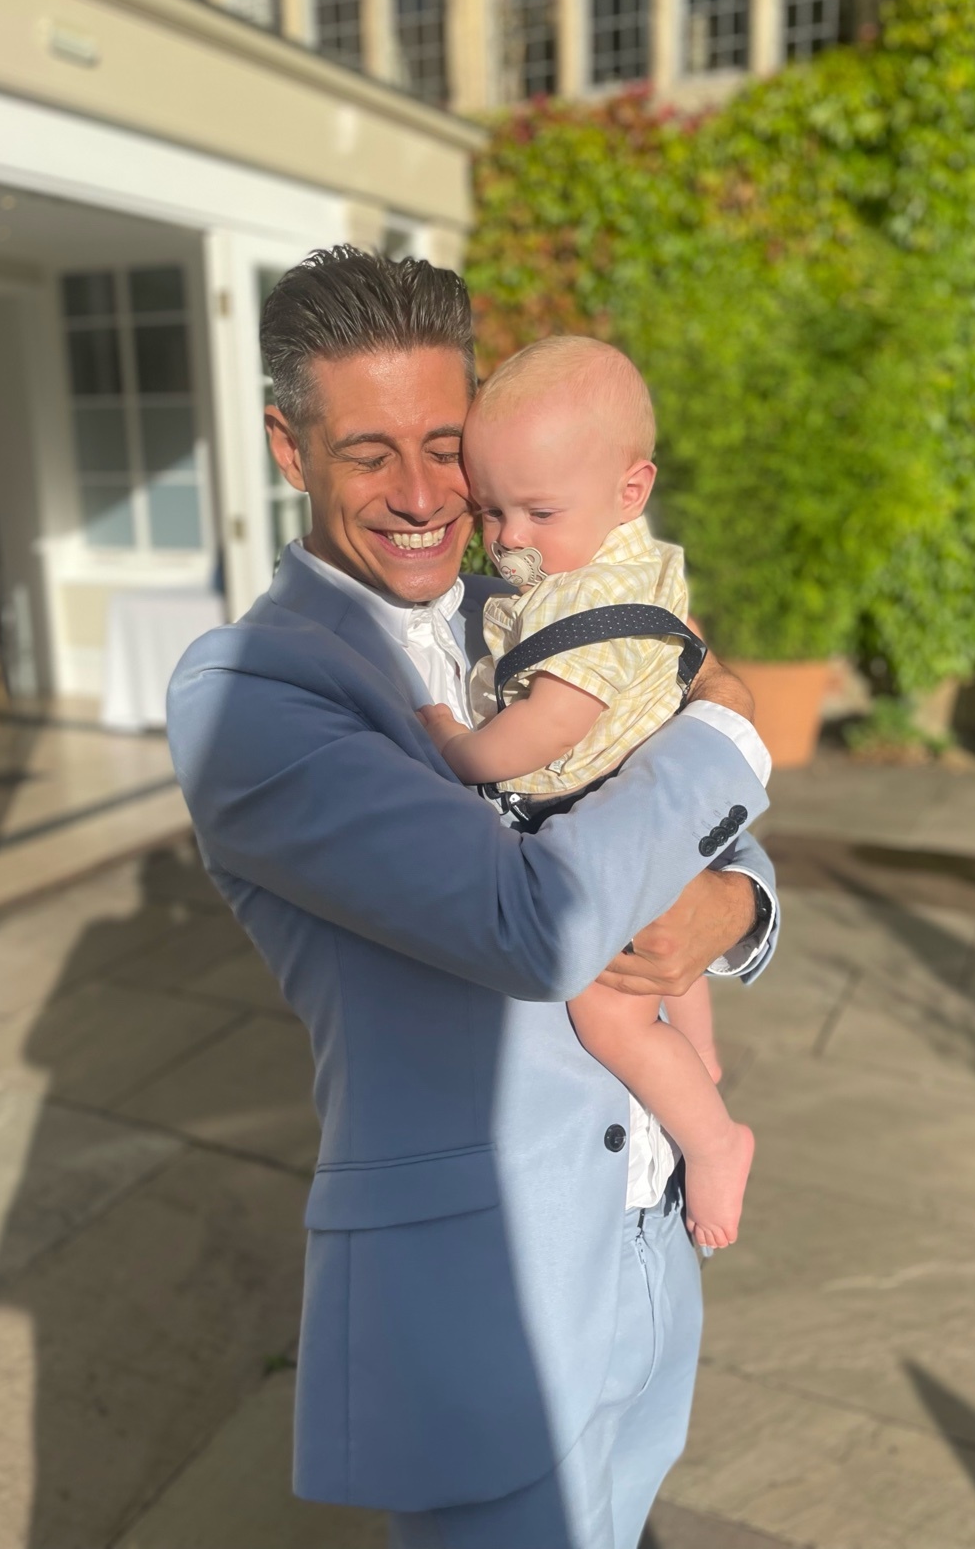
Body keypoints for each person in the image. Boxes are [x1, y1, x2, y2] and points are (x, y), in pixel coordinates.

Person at [165, 247, 780, 1549]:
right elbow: (538, 922)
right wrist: (729, 734)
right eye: (367, 453)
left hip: (653, 1225)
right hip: (485, 1291)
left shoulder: (536, 588)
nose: (422, 496)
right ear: (288, 448)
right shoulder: (249, 699)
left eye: (446, 445)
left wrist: (726, 912)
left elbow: (690, 823)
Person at [419, 336, 759, 1251]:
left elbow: (547, 729)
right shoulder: (620, 563)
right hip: (670, 820)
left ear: (631, 490)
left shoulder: (582, 615)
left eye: (537, 510)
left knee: (607, 1008)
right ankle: (702, 1064)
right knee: (670, 977)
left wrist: (459, 745)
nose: (510, 538)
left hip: (615, 819)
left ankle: (717, 1140)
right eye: (490, 510)